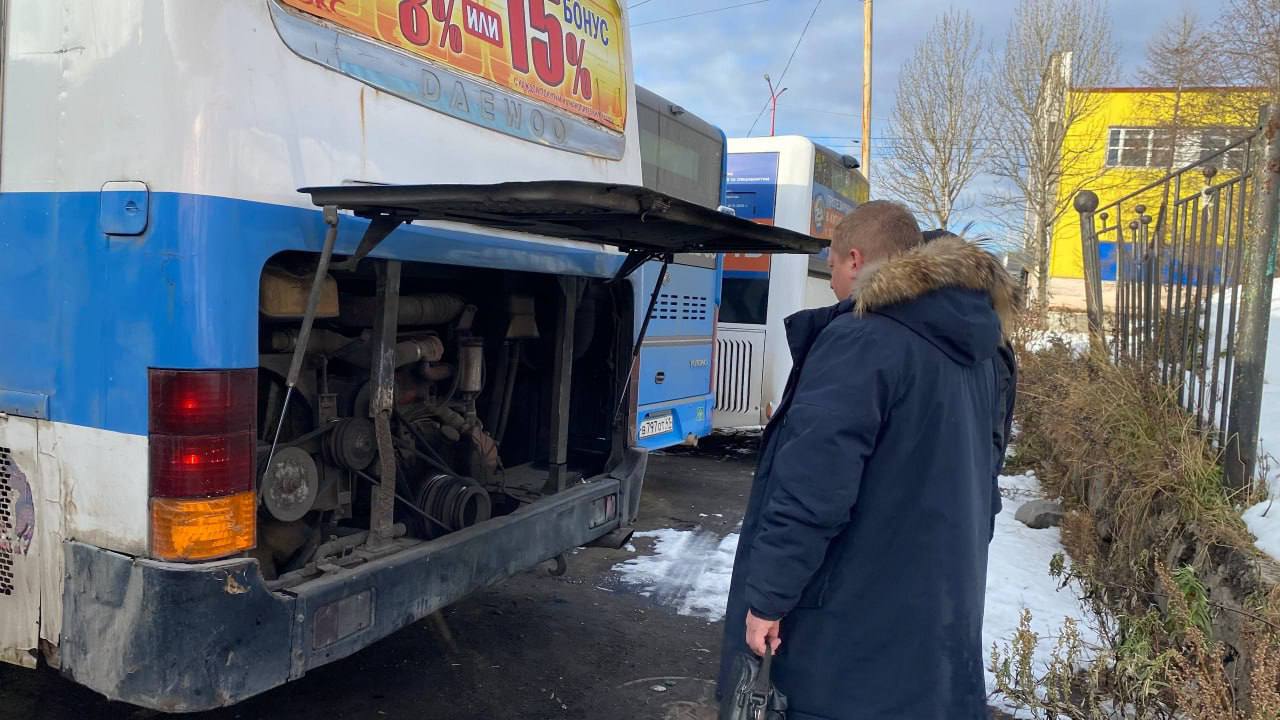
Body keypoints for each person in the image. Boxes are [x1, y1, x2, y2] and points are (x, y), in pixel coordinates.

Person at [718, 202, 1020, 719]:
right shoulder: (985, 349)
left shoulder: (862, 339)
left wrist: (768, 598)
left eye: (832, 265)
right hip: (939, 623)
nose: (832, 280)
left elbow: (812, 490)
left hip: (846, 632)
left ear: (855, 260)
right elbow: (986, 478)